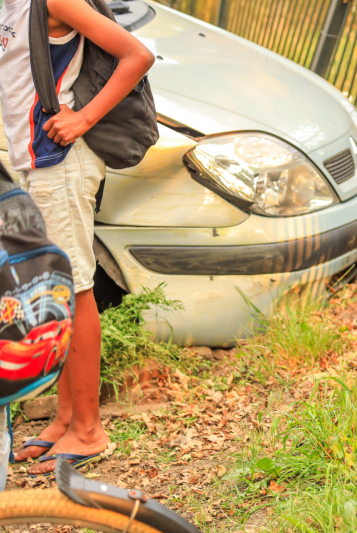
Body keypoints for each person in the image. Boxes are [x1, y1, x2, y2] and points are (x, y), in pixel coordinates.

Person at [0, 0, 154, 476]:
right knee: (56, 291)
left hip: (61, 163)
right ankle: (65, 419)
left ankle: (88, 430)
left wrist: (83, 118)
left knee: (74, 289)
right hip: (35, 161)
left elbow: (138, 55)